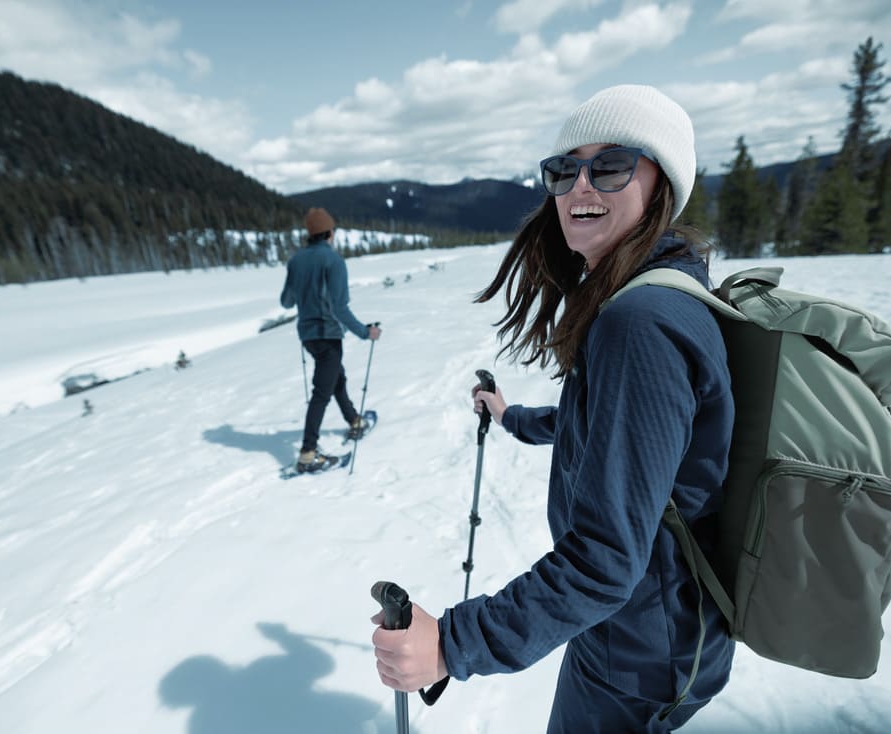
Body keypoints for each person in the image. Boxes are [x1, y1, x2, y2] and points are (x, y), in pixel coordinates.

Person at [371, 85, 735, 732]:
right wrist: (511, 416)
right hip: (652, 633)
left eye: (613, 164)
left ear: (664, 184)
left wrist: (453, 644)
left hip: (636, 652)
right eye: (563, 170)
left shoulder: (641, 322)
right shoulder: (661, 291)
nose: (580, 186)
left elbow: (604, 560)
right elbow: (605, 431)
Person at [281, 207, 381, 473]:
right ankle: (307, 453)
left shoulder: (296, 261)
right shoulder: (334, 262)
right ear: (329, 232)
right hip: (328, 335)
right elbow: (339, 308)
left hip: (308, 336)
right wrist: (365, 332)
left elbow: (286, 301)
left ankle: (354, 421)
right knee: (321, 392)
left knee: (336, 378)